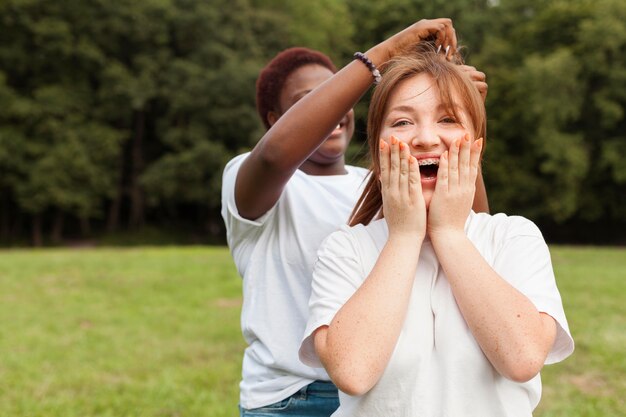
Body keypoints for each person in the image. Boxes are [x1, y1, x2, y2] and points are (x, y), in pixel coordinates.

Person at [222, 18, 489, 416]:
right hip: (295, 397)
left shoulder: (386, 178)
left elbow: (475, 233)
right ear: (275, 120)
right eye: (308, 99)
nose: (336, 109)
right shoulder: (248, 176)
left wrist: (457, 115)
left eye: (338, 95)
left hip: (383, 388)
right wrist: (383, 53)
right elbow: (275, 155)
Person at [299, 44, 574, 416]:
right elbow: (353, 372)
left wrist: (449, 233)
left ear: (476, 146)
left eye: (447, 119)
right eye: (402, 122)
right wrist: (404, 236)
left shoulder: (513, 237)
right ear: (379, 151)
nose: (425, 138)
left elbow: (522, 359)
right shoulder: (346, 249)